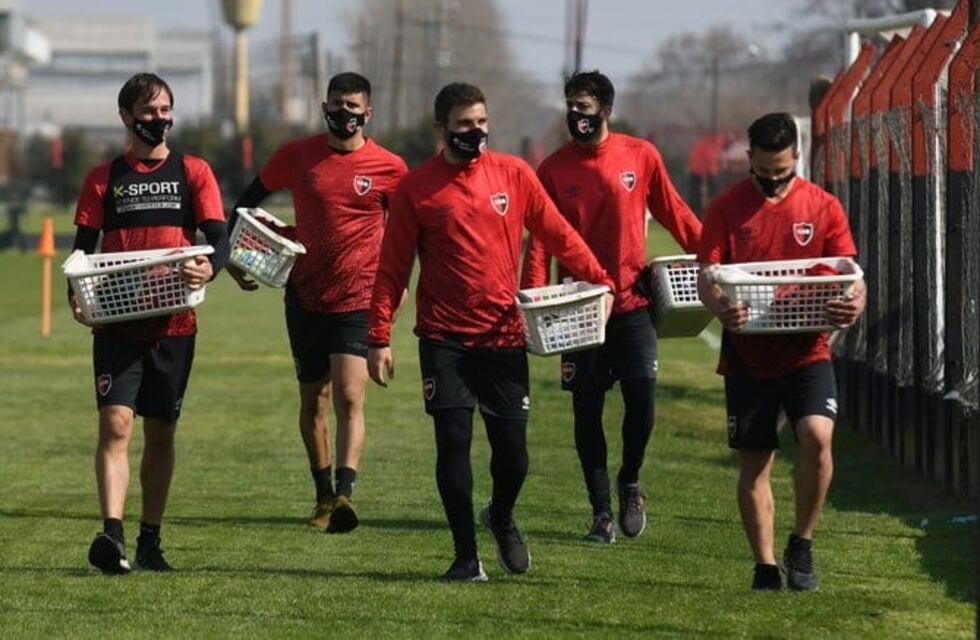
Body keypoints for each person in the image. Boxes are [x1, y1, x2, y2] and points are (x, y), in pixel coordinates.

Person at [367, 82, 615, 582]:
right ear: (441, 128)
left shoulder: (515, 174)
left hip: (503, 336)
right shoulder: (416, 189)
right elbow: (392, 269)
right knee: (453, 441)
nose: (475, 133)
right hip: (444, 339)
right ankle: (464, 555)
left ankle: (500, 515)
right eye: (463, 125)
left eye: (481, 122)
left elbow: (558, 234)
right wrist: (378, 337)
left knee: (514, 455)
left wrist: (601, 280)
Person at [521, 70, 702, 543]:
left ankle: (630, 481)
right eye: (570, 107)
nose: (574, 116)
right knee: (587, 412)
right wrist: (533, 298)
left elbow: (674, 210)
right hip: (578, 309)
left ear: (605, 110)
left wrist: (714, 258)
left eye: (582, 108)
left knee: (642, 402)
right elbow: (540, 242)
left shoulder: (640, 156)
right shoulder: (554, 169)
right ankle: (600, 512)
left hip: (632, 302)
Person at [228, 72, 408, 533]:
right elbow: (246, 205)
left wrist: (396, 291)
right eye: (336, 104)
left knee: (350, 394)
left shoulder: (390, 168)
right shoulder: (296, 156)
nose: (343, 112)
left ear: (368, 113)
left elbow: (408, 237)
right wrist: (240, 256)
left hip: (358, 298)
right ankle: (323, 494)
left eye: (353, 106)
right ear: (323, 106)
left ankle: (346, 495)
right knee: (314, 400)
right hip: (304, 297)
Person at [696, 112, 866, 591]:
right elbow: (706, 276)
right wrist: (720, 307)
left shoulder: (823, 206)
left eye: (782, 173)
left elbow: (851, 274)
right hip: (748, 355)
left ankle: (803, 543)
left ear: (797, 158)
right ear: (749, 159)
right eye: (763, 173)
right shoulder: (727, 208)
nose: (772, 183)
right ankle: (766, 566)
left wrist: (854, 303)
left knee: (817, 437)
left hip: (806, 348)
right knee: (756, 464)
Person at [70, 72, 229, 574]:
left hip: (175, 325)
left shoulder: (194, 171)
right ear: (125, 117)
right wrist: (76, 293)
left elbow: (218, 239)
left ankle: (150, 540)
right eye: (148, 111)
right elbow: (81, 251)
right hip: (117, 324)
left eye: (164, 110)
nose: (158, 119)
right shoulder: (103, 178)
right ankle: (112, 535)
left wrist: (211, 266)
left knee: (161, 433)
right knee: (116, 425)